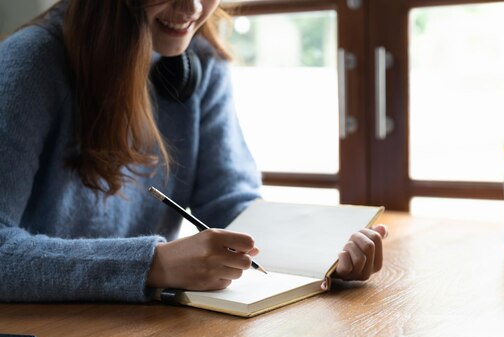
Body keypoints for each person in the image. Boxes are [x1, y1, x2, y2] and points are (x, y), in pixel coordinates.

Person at [0, 0, 387, 303]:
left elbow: (230, 204)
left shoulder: (198, 59)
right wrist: (154, 264)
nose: (192, 9)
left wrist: (318, 256)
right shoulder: (30, 63)